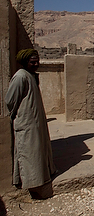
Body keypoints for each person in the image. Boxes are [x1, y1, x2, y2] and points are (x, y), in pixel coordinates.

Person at [5, 49, 56, 199]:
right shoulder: (20, 77)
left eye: (37, 61)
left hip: (34, 122)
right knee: (28, 152)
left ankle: (41, 176)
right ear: (25, 62)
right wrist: (17, 114)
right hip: (26, 122)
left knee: (37, 149)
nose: (36, 64)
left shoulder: (30, 76)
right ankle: (32, 182)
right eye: (32, 62)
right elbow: (10, 101)